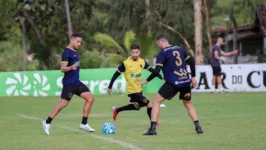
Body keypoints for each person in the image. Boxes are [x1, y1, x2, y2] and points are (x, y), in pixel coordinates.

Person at [139, 35, 203, 135]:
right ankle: (198, 127)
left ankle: (152, 129)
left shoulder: (162, 53)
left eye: (158, 44)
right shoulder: (180, 49)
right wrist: (193, 77)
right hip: (185, 81)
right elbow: (191, 61)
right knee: (188, 103)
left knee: (156, 102)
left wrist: (146, 81)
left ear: (160, 43)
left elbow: (156, 71)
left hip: (172, 83)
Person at [42, 33, 95, 135]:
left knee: (90, 98)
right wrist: (71, 67)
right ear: (72, 40)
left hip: (76, 82)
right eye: (78, 41)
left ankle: (84, 123)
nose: (79, 44)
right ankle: (47, 122)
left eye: (80, 42)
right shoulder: (67, 52)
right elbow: (62, 69)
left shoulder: (75, 52)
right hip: (69, 84)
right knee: (63, 103)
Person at [107, 44, 163, 126]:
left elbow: (153, 71)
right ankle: (154, 123)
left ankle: (117, 110)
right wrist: (110, 86)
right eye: (133, 52)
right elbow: (116, 75)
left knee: (137, 107)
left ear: (139, 52)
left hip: (139, 90)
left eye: (136, 52)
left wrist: (161, 78)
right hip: (132, 91)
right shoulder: (125, 63)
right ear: (131, 53)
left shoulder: (142, 62)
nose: (135, 54)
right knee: (149, 105)